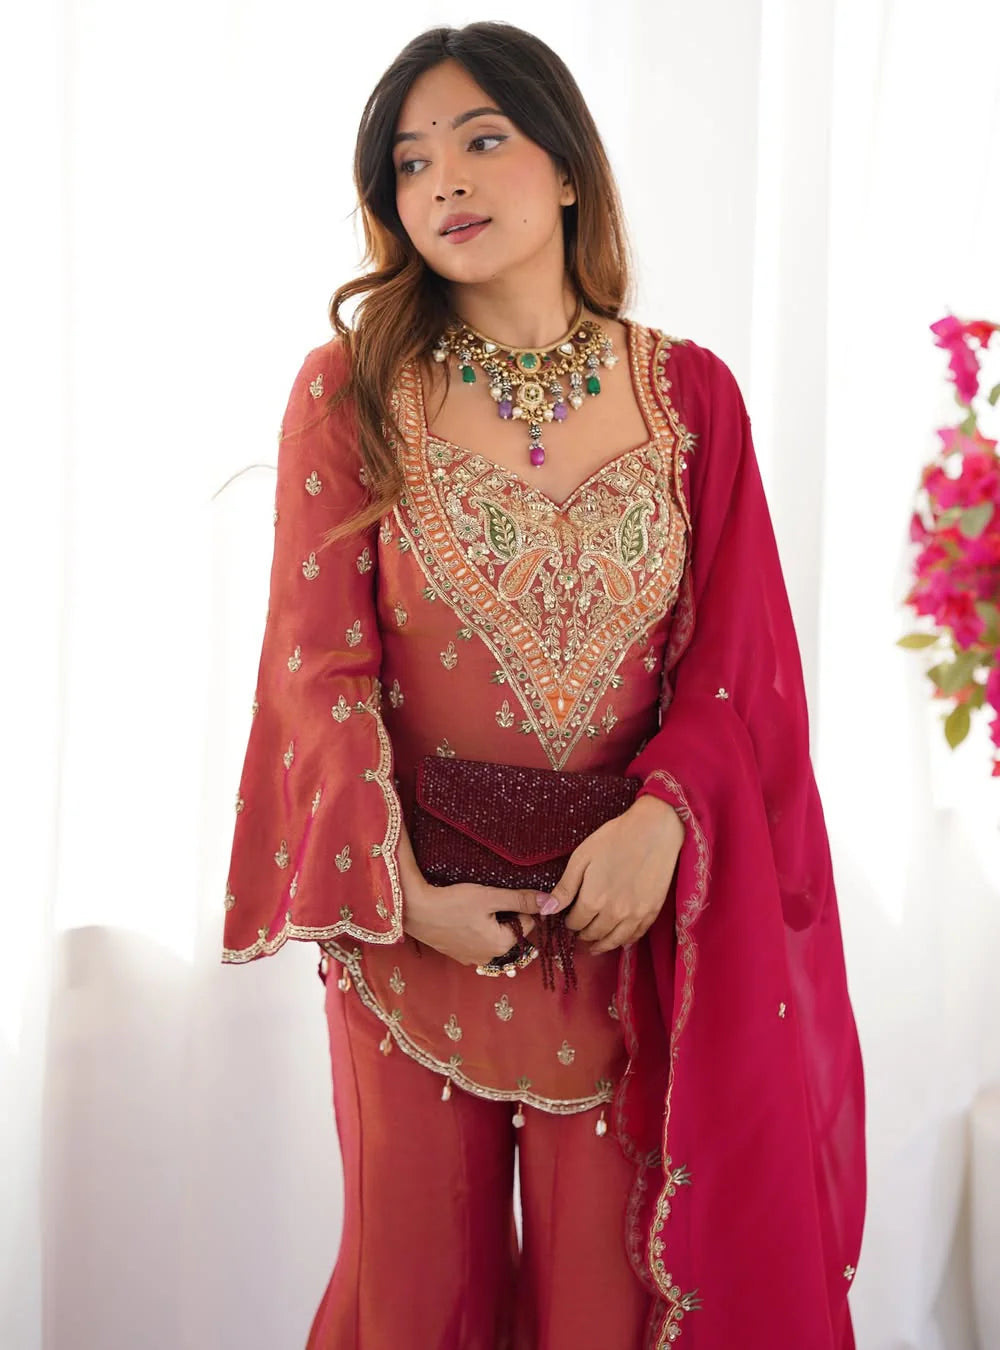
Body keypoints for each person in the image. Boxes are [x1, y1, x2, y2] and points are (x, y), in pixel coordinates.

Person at [221, 20, 867, 1350]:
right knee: (418, 1305)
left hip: (623, 936)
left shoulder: (692, 398)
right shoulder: (351, 393)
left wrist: (666, 819)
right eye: (409, 162)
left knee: (617, 1313)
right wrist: (399, 893)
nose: (441, 181)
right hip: (421, 928)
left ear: (567, 166)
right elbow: (317, 670)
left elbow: (738, 667)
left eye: (480, 140)